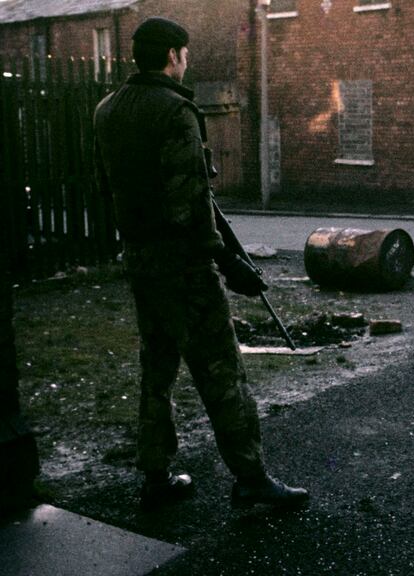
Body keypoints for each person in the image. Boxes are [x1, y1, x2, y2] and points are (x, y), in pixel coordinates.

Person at [93, 17, 309, 509]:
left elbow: (106, 187)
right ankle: (251, 478)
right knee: (222, 372)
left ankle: (155, 476)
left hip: (141, 261)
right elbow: (190, 205)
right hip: (185, 268)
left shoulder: (106, 110)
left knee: (158, 368)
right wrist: (230, 265)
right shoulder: (176, 111)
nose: (186, 60)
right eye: (184, 53)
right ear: (173, 55)